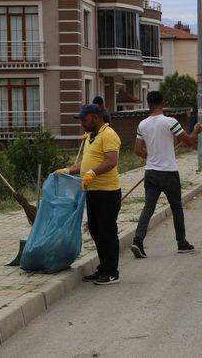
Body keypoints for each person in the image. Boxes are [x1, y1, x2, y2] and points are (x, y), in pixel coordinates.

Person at [131, 91, 202, 258]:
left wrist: (149, 155)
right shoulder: (170, 122)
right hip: (169, 173)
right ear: (163, 103)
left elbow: (137, 150)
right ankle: (182, 243)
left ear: (148, 104)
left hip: (151, 173)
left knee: (148, 208)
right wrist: (196, 130)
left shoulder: (142, 125)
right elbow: (190, 142)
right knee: (176, 208)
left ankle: (137, 241)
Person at [56, 104, 122, 285]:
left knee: (107, 231)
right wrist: (68, 170)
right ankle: (103, 268)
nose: (82, 124)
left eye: (85, 120)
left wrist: (92, 173)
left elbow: (111, 161)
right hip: (92, 192)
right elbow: (84, 164)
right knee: (95, 231)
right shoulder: (90, 137)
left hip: (107, 192)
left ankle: (112, 272)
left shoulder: (109, 135)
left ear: (95, 117)